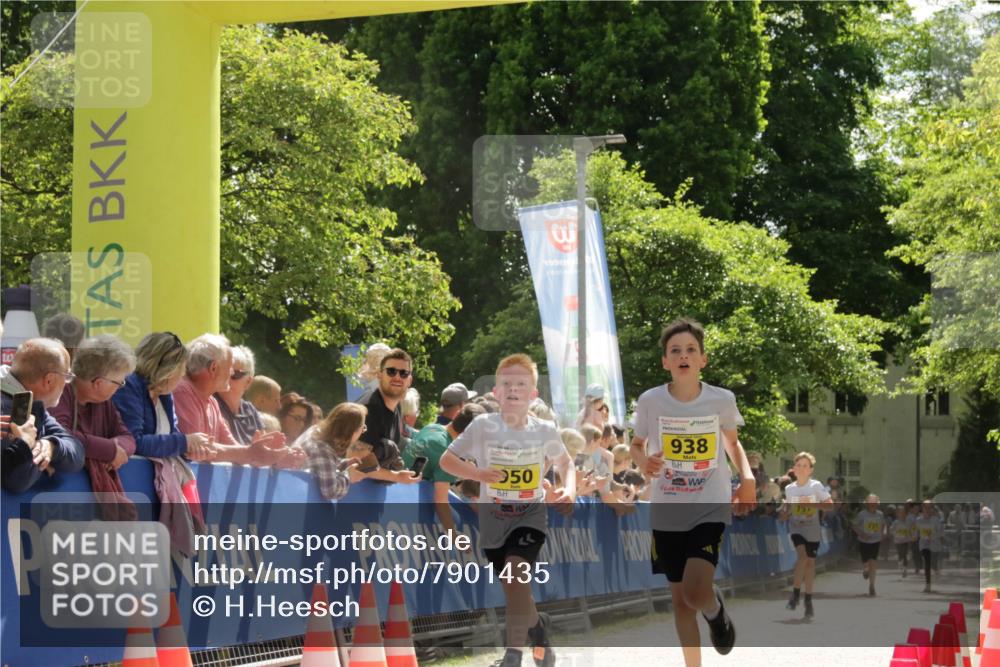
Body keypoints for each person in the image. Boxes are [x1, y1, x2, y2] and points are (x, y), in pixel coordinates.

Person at [629, 318, 755, 666]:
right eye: (675, 351)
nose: (683, 355)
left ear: (703, 359)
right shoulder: (651, 401)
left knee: (696, 591)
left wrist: (746, 478)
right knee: (682, 600)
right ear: (665, 362)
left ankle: (714, 611)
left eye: (690, 350)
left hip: (708, 505)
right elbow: (636, 445)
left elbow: (733, 444)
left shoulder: (721, 400)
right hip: (667, 509)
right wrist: (644, 462)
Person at [440, 353, 575, 667]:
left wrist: (568, 490)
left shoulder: (544, 429)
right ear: (496, 392)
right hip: (493, 518)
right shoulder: (483, 426)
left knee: (516, 575)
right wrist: (478, 474)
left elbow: (565, 463)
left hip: (530, 515)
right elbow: (447, 461)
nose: (514, 389)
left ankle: (512, 654)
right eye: (507, 383)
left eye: (521, 384)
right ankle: (539, 632)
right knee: (515, 588)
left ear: (533, 393)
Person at [50, 336, 138, 515]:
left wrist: (115, 449)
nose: (120, 387)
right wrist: (109, 451)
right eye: (119, 382)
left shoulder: (104, 402)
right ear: (98, 383)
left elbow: (128, 437)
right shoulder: (61, 392)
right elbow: (62, 435)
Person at [172, 333, 287, 466]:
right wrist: (251, 453)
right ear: (213, 368)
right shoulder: (182, 392)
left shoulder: (212, 402)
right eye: (230, 367)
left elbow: (233, 447)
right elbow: (197, 449)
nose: (232, 372)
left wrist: (270, 456)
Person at [112, 332, 215, 460]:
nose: (183, 374)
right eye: (181, 368)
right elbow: (133, 442)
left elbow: (170, 438)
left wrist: (189, 451)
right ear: (167, 369)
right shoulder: (129, 386)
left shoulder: (164, 393)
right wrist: (184, 442)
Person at [1, 338, 84, 493]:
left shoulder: (32, 404)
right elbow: (18, 480)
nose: (67, 383)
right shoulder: (8, 406)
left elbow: (76, 451)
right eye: (67, 376)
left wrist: (51, 447)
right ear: (49, 380)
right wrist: (26, 444)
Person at [403, 402, 486, 541]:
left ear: (456, 415)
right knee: (457, 518)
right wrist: (454, 536)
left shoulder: (433, 427)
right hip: (410, 505)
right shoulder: (446, 453)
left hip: (405, 492)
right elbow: (440, 500)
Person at [217, 346, 304, 468]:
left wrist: (282, 456)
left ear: (248, 382)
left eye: (234, 375)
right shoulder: (211, 405)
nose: (226, 377)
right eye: (224, 371)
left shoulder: (250, 410)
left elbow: (264, 455)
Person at [779, 452, 833, 618]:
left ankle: (808, 600)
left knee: (810, 564)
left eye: (805, 465)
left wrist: (812, 504)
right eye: (799, 465)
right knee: (802, 557)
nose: (802, 468)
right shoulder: (789, 488)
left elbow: (829, 506)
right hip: (797, 528)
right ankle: (795, 593)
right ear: (794, 468)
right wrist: (784, 512)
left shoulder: (816, 486)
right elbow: (786, 510)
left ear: (810, 470)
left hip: (813, 530)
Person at [356, 348, 421, 483]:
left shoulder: (395, 407)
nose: (397, 377)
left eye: (403, 373)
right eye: (391, 371)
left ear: (409, 380)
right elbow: (359, 462)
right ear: (380, 375)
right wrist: (396, 476)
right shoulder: (369, 409)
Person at [295, 402, 368, 500]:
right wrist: (349, 475)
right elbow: (330, 491)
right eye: (362, 428)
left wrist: (344, 464)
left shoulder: (316, 433)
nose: (362, 433)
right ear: (352, 431)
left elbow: (320, 467)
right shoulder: (322, 448)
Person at [853, 494, 886, 596]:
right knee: (866, 561)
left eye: (875, 503)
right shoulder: (862, 514)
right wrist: (862, 534)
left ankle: (872, 585)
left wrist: (884, 532)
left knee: (873, 563)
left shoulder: (880, 514)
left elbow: (883, 525)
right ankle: (865, 569)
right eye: (871, 503)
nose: (873, 505)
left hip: (875, 541)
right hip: (864, 541)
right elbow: (854, 525)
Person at [915, 499, 943, 592]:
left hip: (934, 545)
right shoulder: (919, 520)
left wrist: (933, 536)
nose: (927, 509)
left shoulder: (935, 520)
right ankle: (928, 585)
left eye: (929, 507)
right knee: (927, 562)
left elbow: (941, 532)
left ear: (932, 509)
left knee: (933, 563)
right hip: (924, 545)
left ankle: (936, 569)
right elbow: (916, 532)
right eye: (925, 507)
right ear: (922, 508)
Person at [891, 505, 911, 577]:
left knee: (905, 554)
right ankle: (900, 562)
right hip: (898, 541)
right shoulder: (895, 522)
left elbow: (910, 530)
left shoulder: (908, 522)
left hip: (905, 541)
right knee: (900, 554)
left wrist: (910, 535)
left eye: (903, 512)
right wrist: (895, 533)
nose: (902, 514)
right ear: (897, 514)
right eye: (900, 512)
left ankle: (905, 569)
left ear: (905, 513)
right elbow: (892, 530)